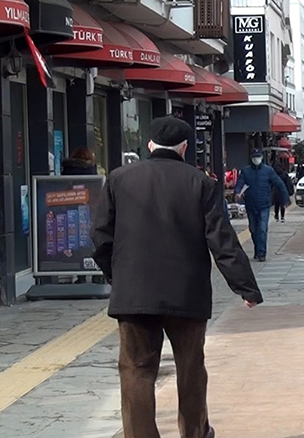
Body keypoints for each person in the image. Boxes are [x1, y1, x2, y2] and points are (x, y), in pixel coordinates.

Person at [91, 116, 263, 438]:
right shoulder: (201, 183)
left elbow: (101, 236)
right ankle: (196, 433)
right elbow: (221, 239)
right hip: (187, 294)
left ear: (150, 145)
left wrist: (118, 276)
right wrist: (246, 288)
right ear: (185, 148)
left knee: (136, 371)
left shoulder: (118, 179)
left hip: (135, 295)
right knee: (191, 369)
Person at [235, 148, 290, 261]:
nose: (256, 159)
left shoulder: (268, 171)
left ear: (261, 157)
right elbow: (240, 183)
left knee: (262, 229)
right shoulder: (245, 171)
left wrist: (285, 199)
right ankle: (257, 249)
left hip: (264, 205)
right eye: (254, 157)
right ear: (251, 158)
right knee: (253, 229)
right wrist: (237, 193)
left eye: (258, 157)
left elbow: (280, 184)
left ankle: (261, 253)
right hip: (250, 205)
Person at [271, 157, 294, 223]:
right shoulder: (284, 173)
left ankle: (276, 216)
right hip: (283, 191)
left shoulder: (273, 174)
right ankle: (282, 217)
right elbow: (288, 183)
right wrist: (290, 191)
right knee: (282, 204)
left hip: (275, 191)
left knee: (276, 205)